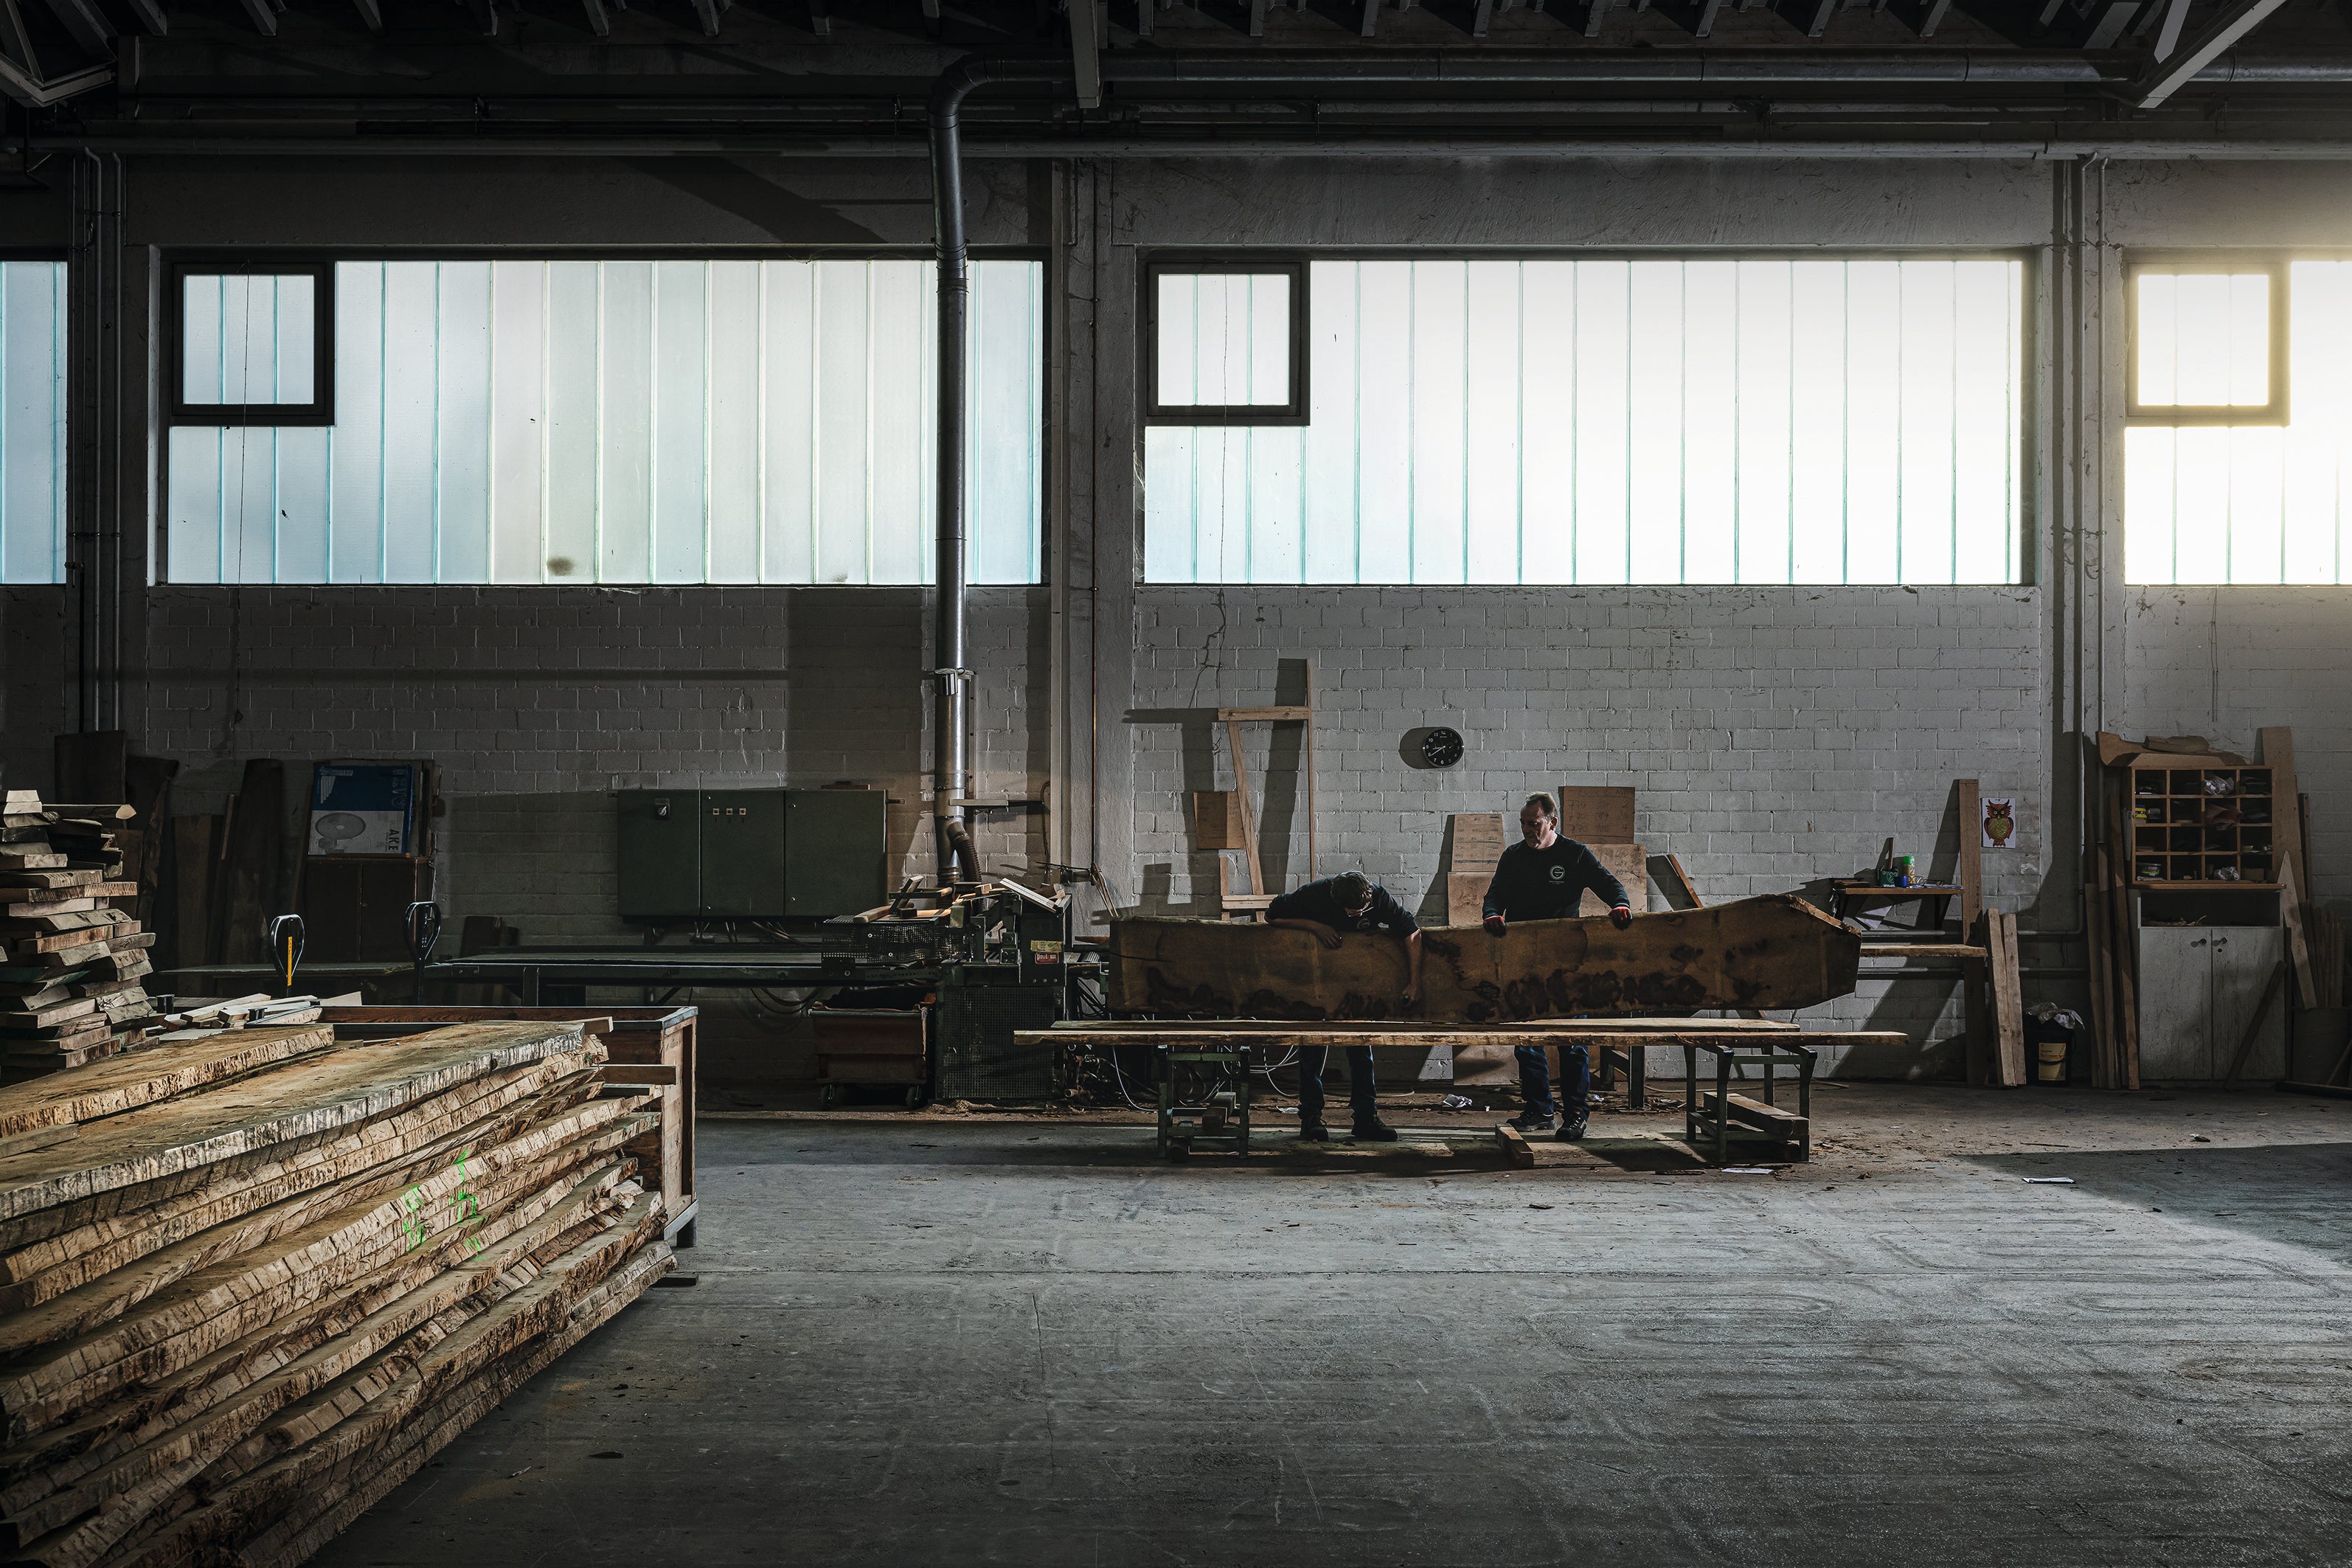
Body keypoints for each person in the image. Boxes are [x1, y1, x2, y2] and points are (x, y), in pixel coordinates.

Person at [1480, 793, 1634, 1141]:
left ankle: (1576, 1114)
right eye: (1522, 824)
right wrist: (1491, 913)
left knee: (1572, 1042)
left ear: (1552, 822)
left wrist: (1620, 904)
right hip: (1524, 961)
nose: (1527, 830)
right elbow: (1495, 893)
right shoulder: (1514, 856)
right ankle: (1539, 1110)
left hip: (1567, 963)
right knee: (1527, 1042)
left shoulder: (1574, 854)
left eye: (1533, 824)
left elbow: (1609, 884)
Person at [1265, 871, 1420, 1142]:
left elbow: (1412, 932)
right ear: (1335, 901)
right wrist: (1315, 927)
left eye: (1363, 911)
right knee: (1312, 1049)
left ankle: (1366, 1118)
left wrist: (1413, 983)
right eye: (1351, 913)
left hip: (1355, 985)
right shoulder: (1314, 894)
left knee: (1361, 1048)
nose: (1358, 917)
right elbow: (1272, 916)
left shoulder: (1379, 897)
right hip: (1316, 983)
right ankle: (1311, 1118)